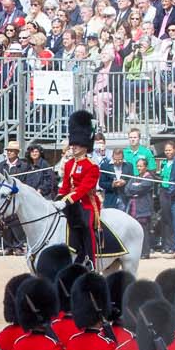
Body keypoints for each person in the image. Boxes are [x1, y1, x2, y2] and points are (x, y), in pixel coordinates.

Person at [59, 112, 101, 265]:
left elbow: (84, 188)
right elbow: (64, 186)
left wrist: (68, 199)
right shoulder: (69, 164)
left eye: (77, 144)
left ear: (85, 146)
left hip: (86, 203)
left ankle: (90, 259)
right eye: (73, 144)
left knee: (85, 225)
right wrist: (59, 198)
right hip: (69, 202)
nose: (73, 146)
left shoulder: (92, 166)